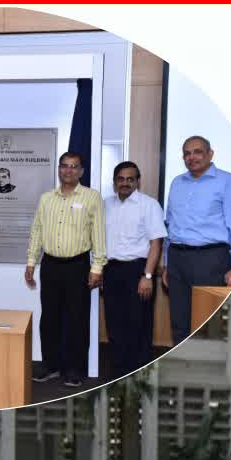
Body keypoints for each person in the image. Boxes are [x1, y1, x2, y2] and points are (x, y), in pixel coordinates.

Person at [24, 151, 106, 388]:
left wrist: (97, 267)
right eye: (64, 166)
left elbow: (98, 233)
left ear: (81, 171)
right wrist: (31, 262)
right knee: (49, 318)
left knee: (76, 319)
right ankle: (51, 365)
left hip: (78, 266)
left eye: (74, 167)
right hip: (50, 265)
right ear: (59, 169)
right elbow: (37, 230)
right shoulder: (46, 198)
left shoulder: (92, 197)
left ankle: (74, 369)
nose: (68, 170)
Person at [163, 135, 231, 345]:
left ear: (210, 154)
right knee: (179, 323)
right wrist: (167, 264)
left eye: (197, 152)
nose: (191, 157)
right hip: (177, 260)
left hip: (211, 260)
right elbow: (171, 226)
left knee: (205, 325)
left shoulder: (227, 181)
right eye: (187, 153)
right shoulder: (177, 183)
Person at [102, 161, 166, 376]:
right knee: (114, 324)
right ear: (114, 182)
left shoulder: (149, 205)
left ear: (138, 181)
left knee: (139, 324)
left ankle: (139, 374)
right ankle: (118, 372)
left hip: (138, 271)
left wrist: (147, 276)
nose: (125, 183)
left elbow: (156, 244)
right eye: (120, 179)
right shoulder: (105, 205)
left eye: (130, 179)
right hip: (111, 271)